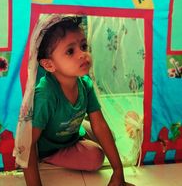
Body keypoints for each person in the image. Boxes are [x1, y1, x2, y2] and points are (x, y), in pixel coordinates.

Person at [23, 16, 134, 186]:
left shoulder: (85, 84)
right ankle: (51, 158)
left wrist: (118, 172)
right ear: (49, 65)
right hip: (51, 148)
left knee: (108, 134)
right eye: (70, 51)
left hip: (73, 131)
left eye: (83, 46)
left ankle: (79, 132)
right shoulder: (45, 95)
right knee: (96, 157)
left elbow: (100, 125)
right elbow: (28, 143)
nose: (83, 55)